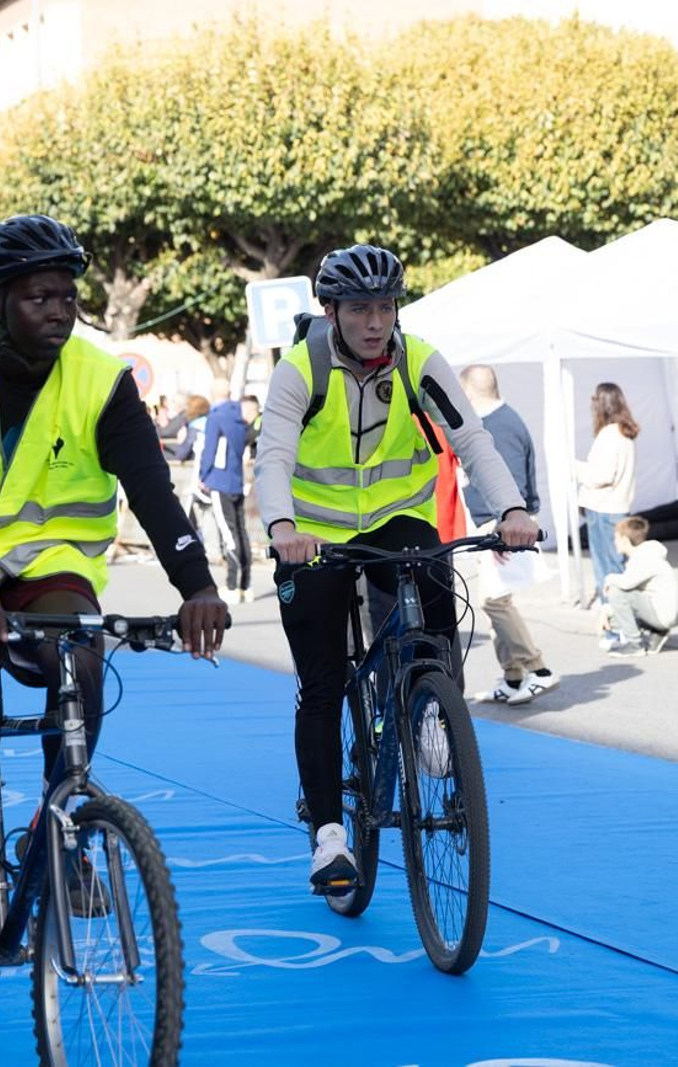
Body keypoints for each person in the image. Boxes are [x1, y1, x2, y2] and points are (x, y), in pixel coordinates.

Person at [0, 213, 226, 1025]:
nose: (59, 310)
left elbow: (152, 489)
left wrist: (197, 584)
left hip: (45, 571)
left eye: (67, 295)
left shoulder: (101, 379)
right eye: (38, 297)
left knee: (85, 654)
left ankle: (52, 822)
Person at [256, 243, 538, 896]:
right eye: (359, 308)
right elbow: (272, 456)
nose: (375, 321)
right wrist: (282, 529)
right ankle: (329, 837)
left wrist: (513, 509)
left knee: (435, 571)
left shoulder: (418, 360)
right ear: (331, 312)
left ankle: (433, 709)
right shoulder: (301, 370)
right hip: (314, 536)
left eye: (385, 306)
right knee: (322, 683)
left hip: (394, 519)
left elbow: (470, 437)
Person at [457, 365, 559, 705]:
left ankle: (538, 669)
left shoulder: (500, 426)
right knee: (497, 601)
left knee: (494, 601)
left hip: (503, 524)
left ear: (469, 393)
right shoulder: (502, 421)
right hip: (498, 523)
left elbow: (511, 480)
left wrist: (504, 526)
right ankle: (514, 675)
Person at [574, 383, 637, 624]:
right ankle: (623, 622)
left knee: (607, 572)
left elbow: (601, 476)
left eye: (594, 400)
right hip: (618, 508)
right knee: (618, 568)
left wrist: (575, 469)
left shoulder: (610, 434)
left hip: (603, 510)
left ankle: (616, 624)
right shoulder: (625, 432)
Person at [200, 378, 252, 602]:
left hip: (219, 481)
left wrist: (203, 475)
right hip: (236, 480)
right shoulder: (238, 417)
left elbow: (209, 449)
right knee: (241, 531)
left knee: (228, 533)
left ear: (213, 393)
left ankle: (231, 586)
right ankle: (245, 586)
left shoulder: (215, 417)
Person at [601, 516, 678, 657]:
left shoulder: (646, 558)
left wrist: (609, 579)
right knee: (613, 614)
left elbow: (625, 584)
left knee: (616, 592)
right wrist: (606, 611)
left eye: (616, 538)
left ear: (625, 539)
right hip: (657, 611)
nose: (615, 542)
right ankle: (657, 632)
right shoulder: (642, 556)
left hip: (660, 614)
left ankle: (635, 645)